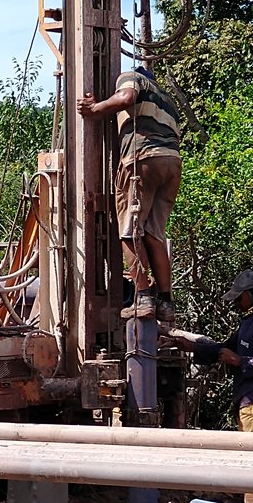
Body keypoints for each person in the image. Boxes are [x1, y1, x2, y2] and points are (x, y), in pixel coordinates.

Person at [76, 65, 183, 322]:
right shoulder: (167, 101)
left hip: (143, 158)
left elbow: (126, 97)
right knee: (154, 233)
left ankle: (143, 297)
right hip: (172, 164)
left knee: (129, 231)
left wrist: (95, 109)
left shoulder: (132, 77)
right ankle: (166, 302)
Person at [177, 269, 253, 503]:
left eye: (239, 297)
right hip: (250, 399)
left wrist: (239, 361)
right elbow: (224, 349)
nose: (235, 302)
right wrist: (191, 347)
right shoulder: (249, 321)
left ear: (252, 294)